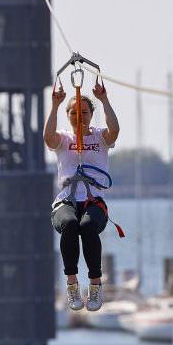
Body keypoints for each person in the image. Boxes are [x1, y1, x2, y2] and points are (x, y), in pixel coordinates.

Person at [43, 80, 120, 312]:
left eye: (84, 112)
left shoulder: (100, 137)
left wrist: (104, 99)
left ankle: (95, 284)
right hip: (66, 201)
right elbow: (48, 137)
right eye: (74, 113)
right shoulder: (64, 139)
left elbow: (114, 129)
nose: (80, 117)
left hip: (93, 202)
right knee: (70, 224)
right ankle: (72, 282)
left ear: (91, 114)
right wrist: (55, 105)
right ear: (68, 116)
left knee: (87, 227)